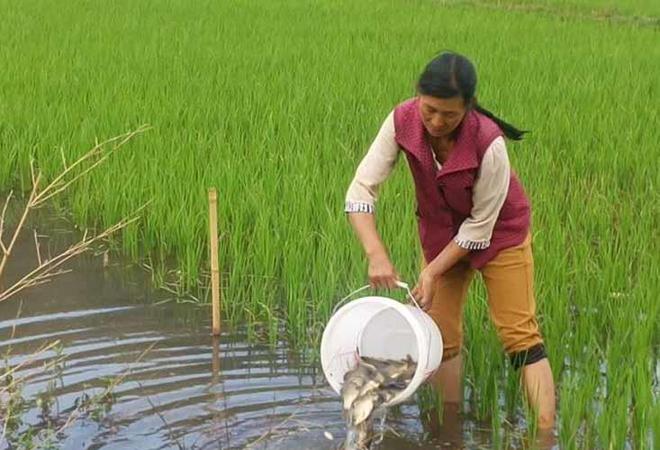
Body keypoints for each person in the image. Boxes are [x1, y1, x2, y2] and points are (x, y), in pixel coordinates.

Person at [344, 51, 556, 429]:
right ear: (417, 96)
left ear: (468, 109)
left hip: (499, 235)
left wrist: (431, 272)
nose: (437, 122)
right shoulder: (401, 121)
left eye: (449, 115)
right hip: (441, 234)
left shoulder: (489, 144)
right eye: (429, 110)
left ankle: (545, 436)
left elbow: (479, 228)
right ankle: (449, 429)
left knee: (519, 335)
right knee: (440, 338)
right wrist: (375, 252)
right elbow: (362, 188)